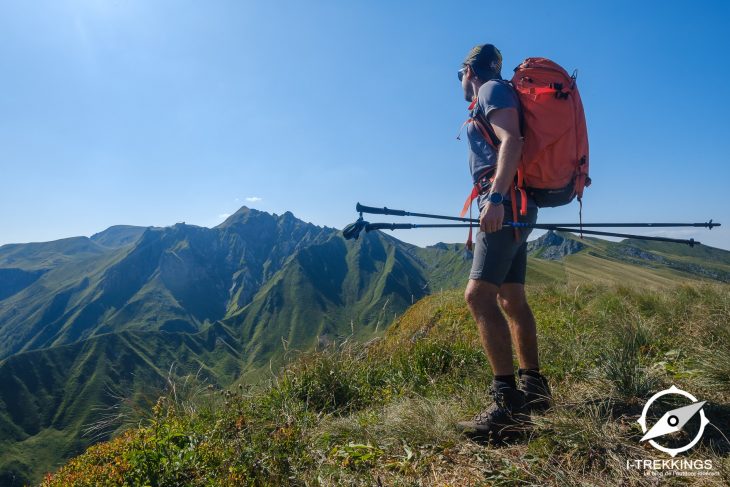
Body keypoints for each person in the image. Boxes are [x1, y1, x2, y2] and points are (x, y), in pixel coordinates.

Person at [454, 44, 552, 441]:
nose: (459, 83)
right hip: (515, 203)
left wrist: (494, 199)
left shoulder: (490, 91)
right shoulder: (500, 90)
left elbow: (512, 140)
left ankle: (507, 405)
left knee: (478, 297)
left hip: (506, 202)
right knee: (511, 298)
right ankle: (534, 390)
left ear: (469, 71)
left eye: (458, 75)